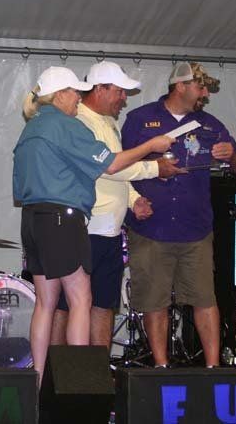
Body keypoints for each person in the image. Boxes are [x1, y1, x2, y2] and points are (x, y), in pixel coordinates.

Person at [12, 66, 174, 383]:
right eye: (75, 92)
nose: (79, 97)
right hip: (63, 218)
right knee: (81, 299)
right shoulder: (66, 125)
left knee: (45, 303)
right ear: (60, 95)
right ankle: (79, 383)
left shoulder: (31, 128)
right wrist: (150, 147)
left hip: (33, 218)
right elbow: (111, 164)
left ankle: (38, 381)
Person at [50, 61, 184, 350]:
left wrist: (134, 201)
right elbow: (110, 167)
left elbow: (118, 167)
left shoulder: (107, 123)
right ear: (100, 89)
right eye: (120, 92)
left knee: (104, 303)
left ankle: (98, 372)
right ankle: (56, 372)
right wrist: (154, 167)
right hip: (84, 228)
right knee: (66, 304)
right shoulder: (79, 121)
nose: (124, 99)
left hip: (109, 230)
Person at [122, 61, 236, 368]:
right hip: (152, 227)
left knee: (205, 299)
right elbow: (118, 166)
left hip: (196, 229)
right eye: (200, 86)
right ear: (180, 86)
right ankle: (162, 367)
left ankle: (213, 367)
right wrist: (141, 191)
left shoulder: (212, 125)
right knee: (155, 302)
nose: (205, 93)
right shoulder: (140, 119)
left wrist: (232, 156)